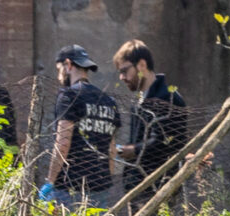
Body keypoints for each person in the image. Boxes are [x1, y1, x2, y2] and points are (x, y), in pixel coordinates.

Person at [44, 43, 122, 207]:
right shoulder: (108, 101)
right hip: (101, 186)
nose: (59, 76)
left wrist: (50, 182)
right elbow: (112, 149)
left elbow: (63, 143)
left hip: (69, 186)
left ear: (68, 65)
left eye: (59, 69)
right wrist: (107, 181)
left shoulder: (69, 96)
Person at [112, 40, 189, 195]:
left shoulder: (168, 97)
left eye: (125, 71)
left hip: (159, 189)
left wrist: (133, 150)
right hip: (137, 186)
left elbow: (164, 144)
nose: (121, 77)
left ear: (141, 65)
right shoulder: (139, 101)